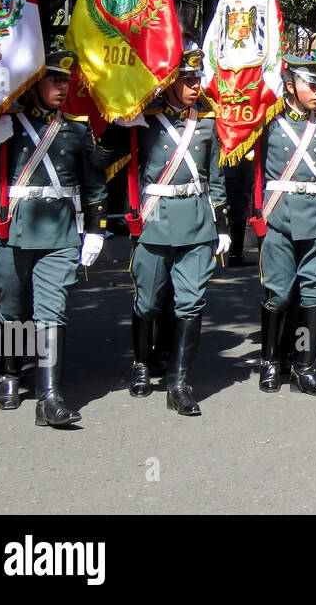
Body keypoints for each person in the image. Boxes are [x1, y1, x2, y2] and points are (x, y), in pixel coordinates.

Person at [0, 45, 107, 425]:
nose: (63, 87)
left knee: (51, 311)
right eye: (54, 79)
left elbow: (94, 184)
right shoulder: (5, 121)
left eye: (66, 80)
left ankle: (50, 398)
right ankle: (9, 373)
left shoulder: (76, 129)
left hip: (60, 231)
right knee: (11, 309)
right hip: (13, 229)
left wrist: (95, 229)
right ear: (33, 82)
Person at [93, 42, 228, 415]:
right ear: (168, 81)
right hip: (154, 221)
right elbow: (99, 161)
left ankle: (179, 383)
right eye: (186, 79)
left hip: (197, 221)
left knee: (191, 302)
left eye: (197, 78)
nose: (194, 85)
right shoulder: (145, 118)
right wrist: (119, 129)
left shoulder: (208, 120)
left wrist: (224, 223)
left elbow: (215, 177)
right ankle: (141, 363)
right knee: (149, 300)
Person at [253, 55, 316, 396]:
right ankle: (269, 361)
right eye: (311, 84)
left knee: (314, 295)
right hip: (279, 218)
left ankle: (303, 367)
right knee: (279, 295)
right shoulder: (268, 122)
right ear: (291, 86)